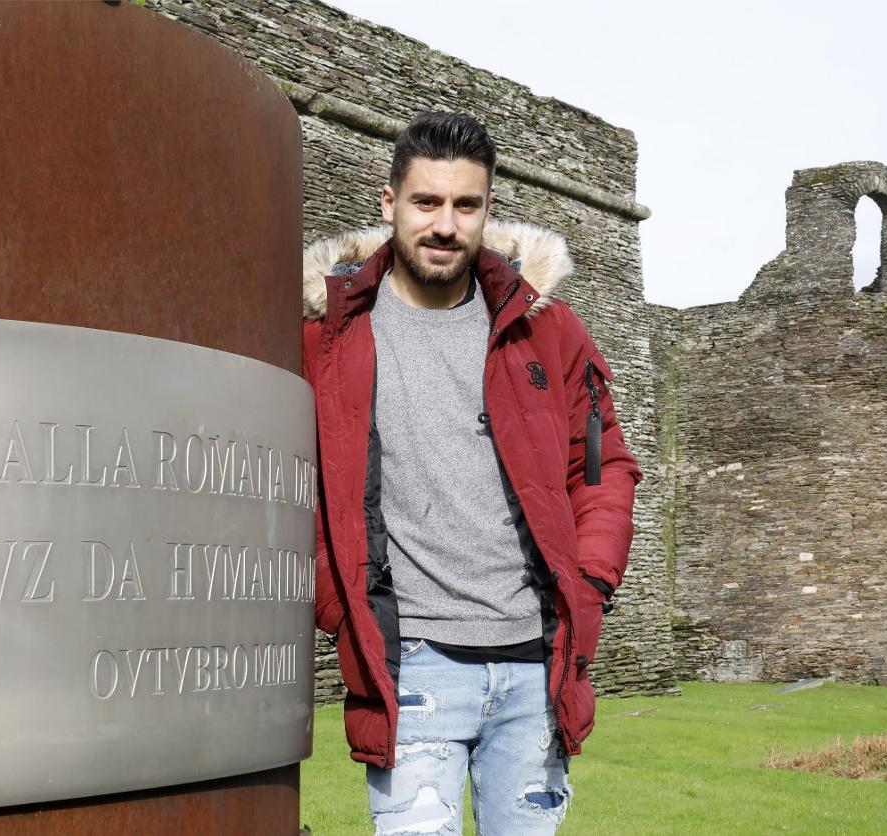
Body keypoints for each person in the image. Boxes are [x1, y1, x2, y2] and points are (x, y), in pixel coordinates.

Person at [301, 111, 641, 835]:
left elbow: (605, 464)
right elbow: (282, 481)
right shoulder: (327, 335)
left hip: (534, 671)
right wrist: (336, 604)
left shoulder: (545, 327)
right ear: (388, 203)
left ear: (489, 210)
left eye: (466, 205)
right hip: (414, 664)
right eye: (426, 202)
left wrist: (591, 583)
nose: (446, 225)